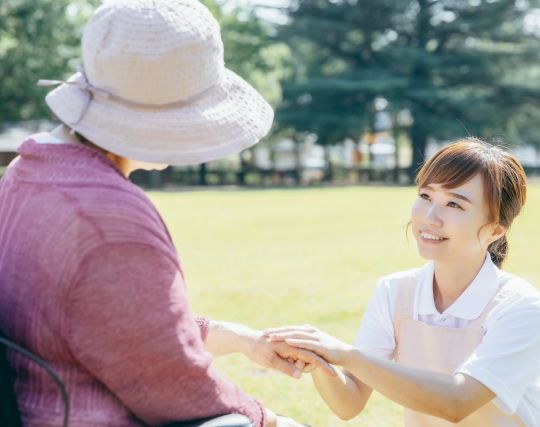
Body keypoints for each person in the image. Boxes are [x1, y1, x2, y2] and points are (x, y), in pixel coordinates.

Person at [0, 1, 335, 426]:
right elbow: (175, 389)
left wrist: (240, 339)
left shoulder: (27, 171)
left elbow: (118, 329)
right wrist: (271, 420)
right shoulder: (108, 219)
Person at [265, 139, 540, 426]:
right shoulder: (395, 291)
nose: (429, 217)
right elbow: (349, 403)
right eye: (425, 196)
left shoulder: (522, 307)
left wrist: (347, 355)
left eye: (454, 204)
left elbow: (457, 401)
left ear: (494, 230)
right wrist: (318, 358)